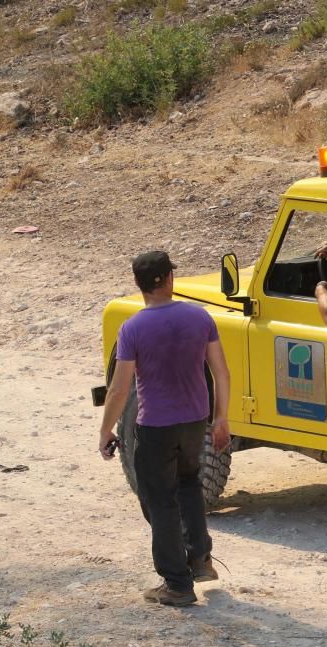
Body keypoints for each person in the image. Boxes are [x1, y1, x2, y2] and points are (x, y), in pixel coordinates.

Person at [98, 250, 231, 607]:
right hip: (195, 422)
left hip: (156, 426)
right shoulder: (199, 317)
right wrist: (220, 418)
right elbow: (220, 372)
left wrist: (105, 430)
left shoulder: (133, 328)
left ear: (140, 284)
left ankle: (177, 583)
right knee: (188, 485)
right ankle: (200, 558)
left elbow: (120, 389)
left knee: (159, 502)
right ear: (168, 280)